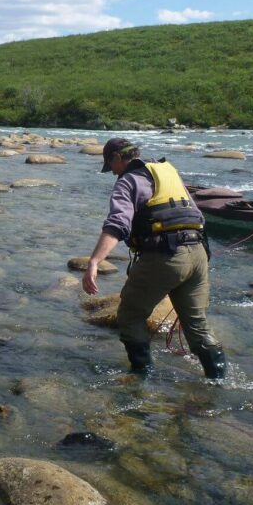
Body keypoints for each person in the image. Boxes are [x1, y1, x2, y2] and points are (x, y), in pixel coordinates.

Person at [81, 138, 226, 379]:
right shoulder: (169, 172)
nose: (112, 173)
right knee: (197, 325)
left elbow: (118, 224)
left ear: (117, 158)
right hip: (198, 254)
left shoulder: (127, 181)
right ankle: (218, 380)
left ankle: (141, 378)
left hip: (165, 256)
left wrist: (94, 261)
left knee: (129, 316)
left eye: (111, 166)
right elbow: (195, 212)